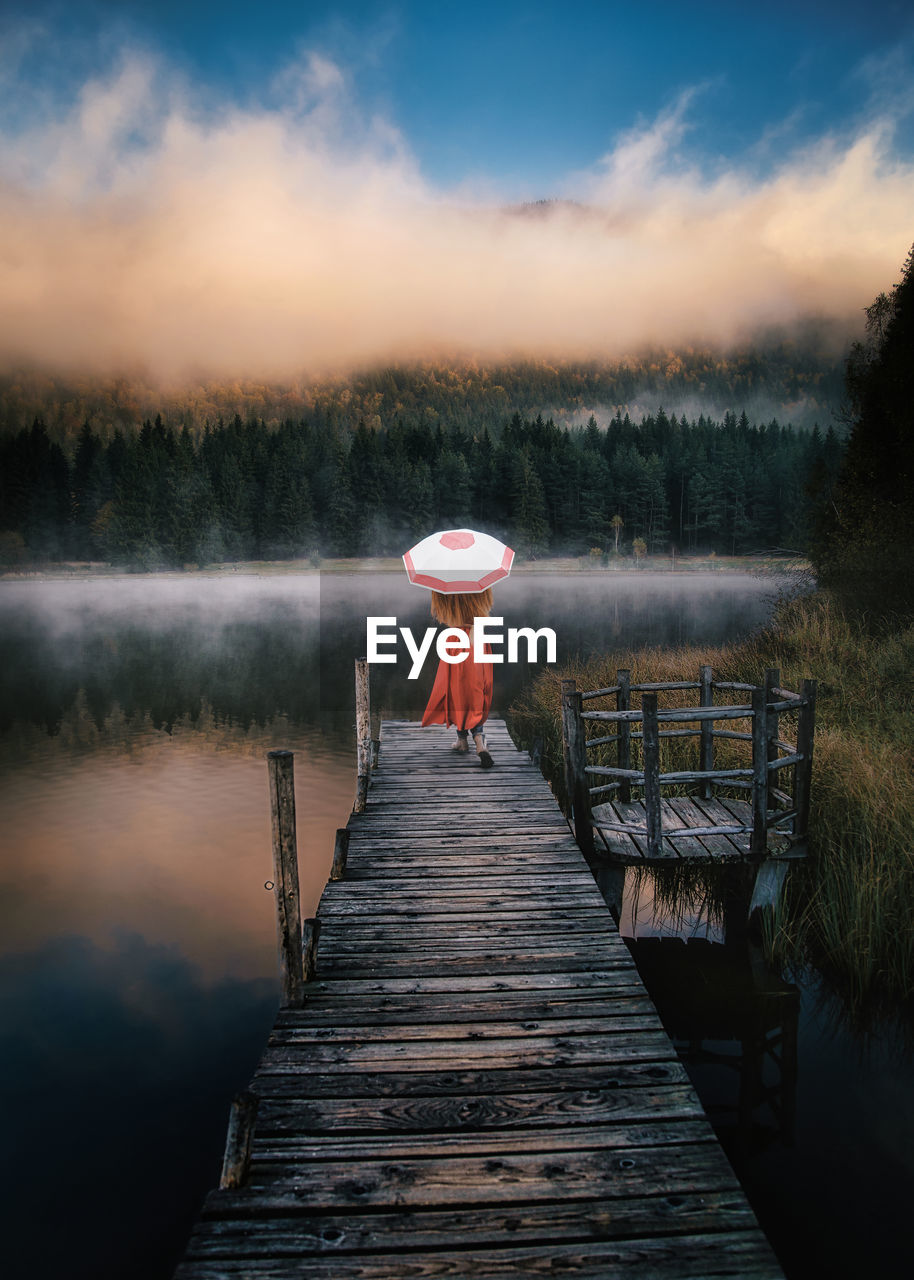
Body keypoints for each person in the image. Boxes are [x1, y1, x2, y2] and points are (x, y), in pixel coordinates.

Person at [421, 588, 495, 767]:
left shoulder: (446, 588)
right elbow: (479, 618)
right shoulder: (478, 586)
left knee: (457, 692)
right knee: (477, 690)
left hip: (456, 642)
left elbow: (451, 618)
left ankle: (467, 741)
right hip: (476, 640)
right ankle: (475, 741)